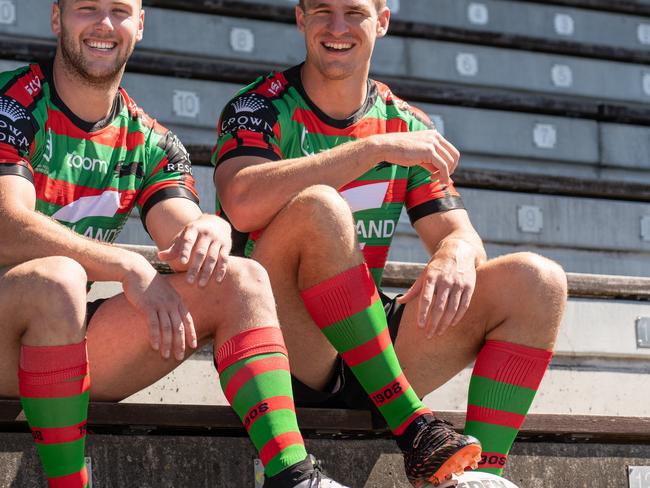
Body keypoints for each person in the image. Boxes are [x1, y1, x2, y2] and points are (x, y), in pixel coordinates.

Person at [212, 0, 568, 483]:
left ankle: (474, 475)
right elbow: (241, 200)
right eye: (321, 10)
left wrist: (454, 253)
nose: (337, 27)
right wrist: (372, 149)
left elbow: (461, 235)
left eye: (354, 12)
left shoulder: (407, 123)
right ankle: (413, 424)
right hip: (280, 345)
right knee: (319, 207)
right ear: (300, 18)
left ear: (381, 21)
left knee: (537, 281)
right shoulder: (259, 105)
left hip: (368, 344)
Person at [0, 1, 349, 487]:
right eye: (87, 8)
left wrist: (211, 230)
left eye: (120, 10)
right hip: (10, 323)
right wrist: (126, 265)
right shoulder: (10, 102)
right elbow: (7, 224)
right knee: (59, 277)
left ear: (139, 25)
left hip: (56, 345)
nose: (104, 24)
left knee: (239, 278)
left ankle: (295, 476)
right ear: (57, 18)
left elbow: (182, 234)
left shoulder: (151, 141)